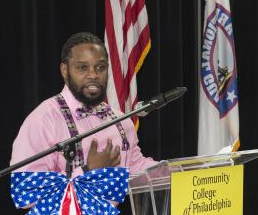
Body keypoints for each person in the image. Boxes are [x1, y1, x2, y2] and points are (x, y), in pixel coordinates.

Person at [10, 32, 157, 179]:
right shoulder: (44, 120)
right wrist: (87, 170)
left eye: (100, 67)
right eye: (82, 68)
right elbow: (28, 192)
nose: (93, 75)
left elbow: (137, 169)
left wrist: (176, 170)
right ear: (65, 71)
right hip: (65, 204)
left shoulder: (121, 121)